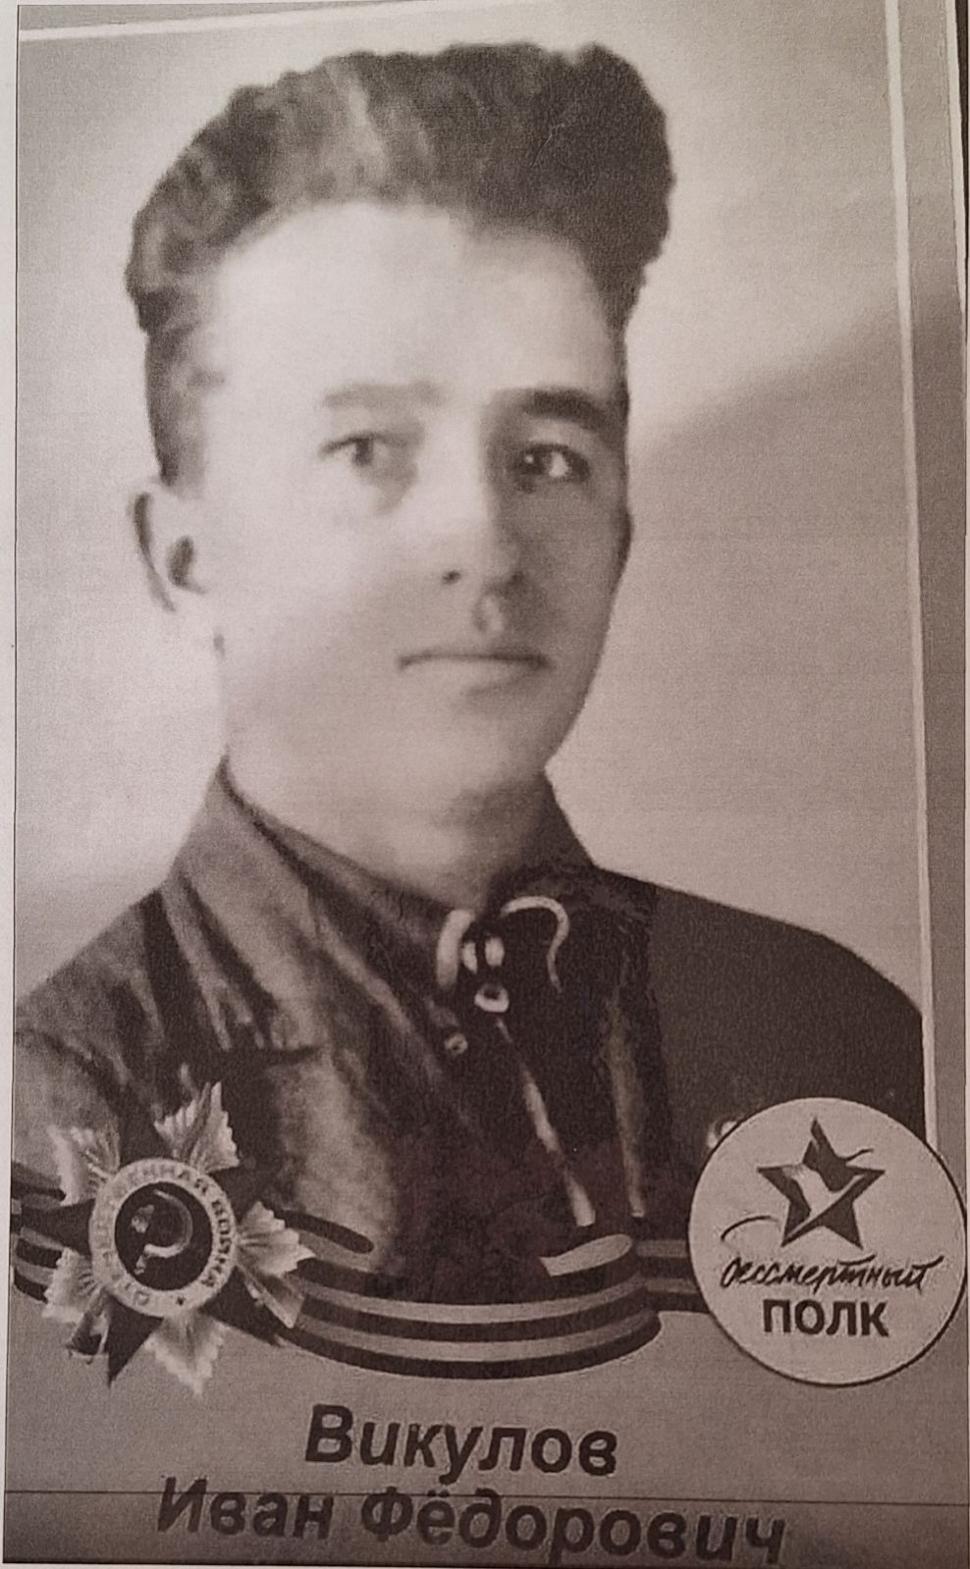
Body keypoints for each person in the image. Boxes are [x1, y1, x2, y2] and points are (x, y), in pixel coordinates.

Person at [11, 40, 923, 1388]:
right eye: (367, 448)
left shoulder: (827, 1032)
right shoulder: (54, 1107)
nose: (485, 542)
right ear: (187, 556)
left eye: (547, 456)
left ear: (620, 532)